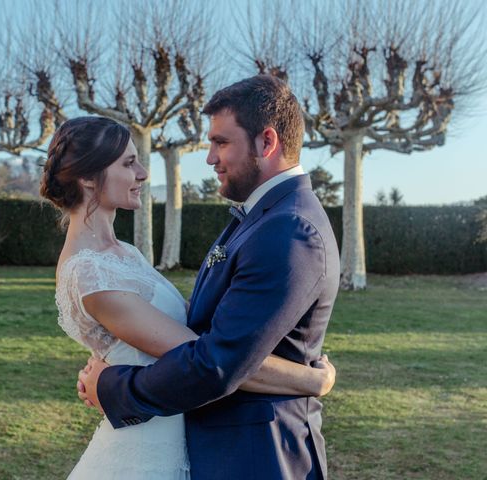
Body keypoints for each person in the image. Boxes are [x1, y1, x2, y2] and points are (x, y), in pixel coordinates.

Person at [42, 115, 336, 479]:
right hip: (143, 454)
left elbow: (206, 335)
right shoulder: (90, 274)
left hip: (184, 436)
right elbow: (207, 358)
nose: (143, 174)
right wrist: (312, 381)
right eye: (128, 163)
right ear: (87, 177)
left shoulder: (125, 254)